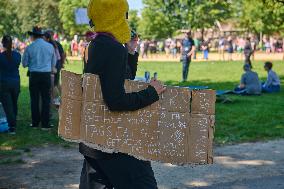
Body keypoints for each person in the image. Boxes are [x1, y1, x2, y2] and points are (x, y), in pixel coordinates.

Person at [79, 1, 166, 189]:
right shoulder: (112, 48)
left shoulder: (95, 45)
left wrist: (130, 51)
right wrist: (152, 93)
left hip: (93, 138)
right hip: (114, 142)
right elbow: (116, 101)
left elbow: (121, 80)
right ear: (117, 15)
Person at [22, 27, 57, 129]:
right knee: (46, 99)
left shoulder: (30, 47)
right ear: (41, 35)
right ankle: (45, 124)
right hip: (46, 74)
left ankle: (35, 123)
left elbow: (24, 63)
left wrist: (33, 63)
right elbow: (53, 62)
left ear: (33, 36)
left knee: (34, 99)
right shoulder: (49, 46)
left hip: (34, 75)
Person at [0, 35, 21, 134]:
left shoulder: (1, 57)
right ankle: (13, 123)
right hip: (15, 82)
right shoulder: (17, 55)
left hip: (4, 83)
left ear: (2, 44)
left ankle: (12, 126)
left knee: (8, 105)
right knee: (13, 103)